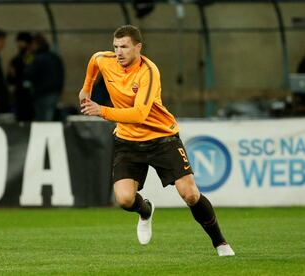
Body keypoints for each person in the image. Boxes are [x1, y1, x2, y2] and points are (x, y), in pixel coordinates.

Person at [79, 25, 235, 256]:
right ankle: (145, 211)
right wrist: (86, 89)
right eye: (116, 46)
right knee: (123, 199)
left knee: (190, 194)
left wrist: (101, 110)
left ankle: (220, 243)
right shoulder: (104, 59)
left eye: (124, 47)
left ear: (138, 47)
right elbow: (94, 63)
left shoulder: (148, 72)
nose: (119, 52)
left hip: (162, 137)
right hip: (128, 140)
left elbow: (139, 113)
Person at [23, 33, 64, 121]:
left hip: (42, 94)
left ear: (36, 45)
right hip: (54, 93)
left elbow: (28, 73)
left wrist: (27, 57)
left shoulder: (37, 58)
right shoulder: (55, 57)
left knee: (42, 120)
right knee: (49, 118)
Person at [7, 32, 35, 122]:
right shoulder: (18, 58)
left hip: (30, 93)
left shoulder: (32, 57)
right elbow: (10, 76)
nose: (18, 45)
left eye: (20, 42)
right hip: (20, 92)